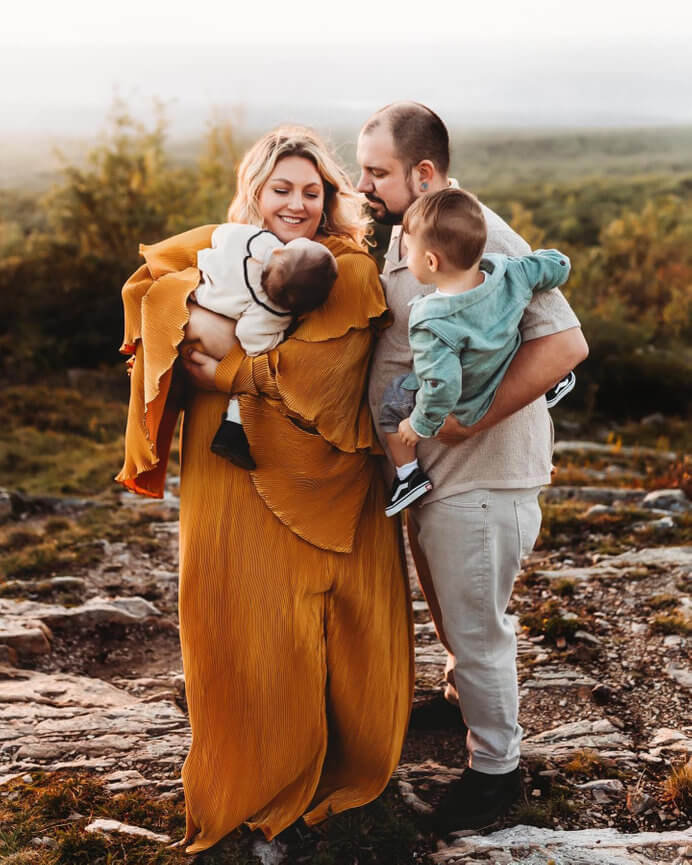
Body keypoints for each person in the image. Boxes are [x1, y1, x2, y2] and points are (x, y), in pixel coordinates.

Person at [117, 125, 414, 853]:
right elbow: (151, 291)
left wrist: (220, 370)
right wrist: (186, 319)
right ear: (256, 191)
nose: (298, 203)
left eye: (312, 191)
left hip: (322, 470)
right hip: (226, 464)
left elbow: (322, 376)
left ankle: (329, 773)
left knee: (324, 624)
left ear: (330, 197)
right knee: (236, 616)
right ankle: (247, 775)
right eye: (282, 188)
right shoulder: (222, 246)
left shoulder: (347, 265)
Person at [358, 102, 588, 830]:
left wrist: (464, 424)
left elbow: (563, 346)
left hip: (481, 476)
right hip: (436, 481)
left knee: (479, 626)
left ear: (423, 173)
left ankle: (496, 770)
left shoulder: (479, 236)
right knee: (454, 610)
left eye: (376, 172)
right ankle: (463, 695)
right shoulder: (409, 230)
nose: (362, 184)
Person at [380, 187, 571, 517]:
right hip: (502, 364)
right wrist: (552, 259)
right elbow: (556, 265)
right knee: (516, 334)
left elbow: (443, 385)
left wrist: (419, 425)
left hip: (471, 396)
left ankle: (408, 476)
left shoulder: (433, 321)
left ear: (430, 261)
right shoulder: (510, 271)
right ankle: (554, 378)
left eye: (408, 251)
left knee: (393, 397)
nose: (406, 257)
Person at [189, 225, 338, 468]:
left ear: (279, 252)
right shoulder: (271, 311)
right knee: (250, 381)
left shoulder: (256, 240)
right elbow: (250, 337)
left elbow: (220, 234)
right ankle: (233, 428)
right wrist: (276, 339)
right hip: (208, 311)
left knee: (247, 374)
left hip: (199, 288)